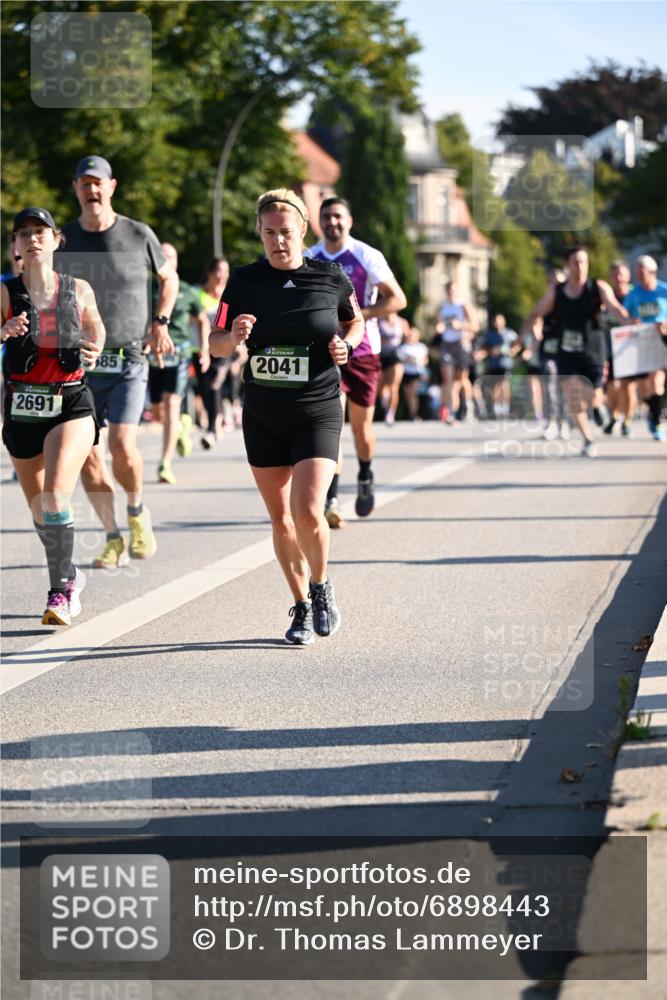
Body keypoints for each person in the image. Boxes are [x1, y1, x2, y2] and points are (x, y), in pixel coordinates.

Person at [209, 189, 364, 645]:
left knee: (308, 509)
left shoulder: (330, 276)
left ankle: (321, 586)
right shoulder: (241, 283)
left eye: (286, 232)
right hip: (264, 412)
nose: (278, 240)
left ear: (303, 231)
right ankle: (299, 605)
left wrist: (346, 345)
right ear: (260, 232)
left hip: (317, 408)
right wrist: (233, 335)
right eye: (269, 232)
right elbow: (215, 344)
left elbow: (353, 321)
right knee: (280, 520)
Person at [56, 155, 178, 567]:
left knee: (123, 446)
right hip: (81, 364)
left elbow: (170, 278)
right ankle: (112, 536)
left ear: (112, 187)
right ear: (75, 189)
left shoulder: (137, 233)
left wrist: (160, 322)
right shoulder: (64, 240)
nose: (92, 191)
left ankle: (137, 510)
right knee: (89, 454)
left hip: (128, 358)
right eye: (84, 183)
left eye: (98, 183)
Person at [1, 207, 104, 624]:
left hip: (70, 401)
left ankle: (60, 590)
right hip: (23, 405)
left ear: (56, 240)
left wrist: (95, 347)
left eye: (40, 231)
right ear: (17, 246)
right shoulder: (6, 292)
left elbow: (96, 328)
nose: (33, 238)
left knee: (55, 496)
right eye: (24, 233)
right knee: (42, 512)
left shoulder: (77, 289)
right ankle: (71, 573)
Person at [306, 198, 406, 528]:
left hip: (363, 350)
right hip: (323, 352)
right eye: (326, 217)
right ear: (319, 222)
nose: (332, 222)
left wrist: (359, 315)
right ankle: (331, 497)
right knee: (330, 425)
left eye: (338, 216)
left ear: (350, 220)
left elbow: (398, 299)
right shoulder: (310, 257)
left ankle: (364, 473)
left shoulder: (367, 256)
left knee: (361, 430)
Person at [524, 247, 627, 457]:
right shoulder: (558, 292)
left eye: (583, 262)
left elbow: (615, 308)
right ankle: (588, 439)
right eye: (575, 262)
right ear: (568, 266)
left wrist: (634, 325)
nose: (580, 266)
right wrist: (526, 331)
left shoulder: (597, 287)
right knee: (572, 395)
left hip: (594, 351)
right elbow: (538, 311)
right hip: (567, 351)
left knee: (592, 394)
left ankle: (598, 406)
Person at [148, 243, 210, 483]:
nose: (165, 259)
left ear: (176, 261)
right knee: (156, 411)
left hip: (180, 354)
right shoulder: (147, 289)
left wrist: (204, 349)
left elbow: (203, 320)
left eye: (170, 256)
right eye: (161, 255)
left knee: (172, 403)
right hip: (153, 356)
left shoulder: (186, 291)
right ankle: (182, 426)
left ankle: (165, 463)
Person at [623, 255, 667, 442]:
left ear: (652, 273)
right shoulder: (633, 295)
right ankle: (653, 411)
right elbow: (625, 316)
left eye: (643, 274)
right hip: (640, 343)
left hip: (662, 340)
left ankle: (656, 422)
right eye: (637, 274)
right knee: (644, 387)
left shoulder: (664, 290)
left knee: (657, 380)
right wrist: (633, 322)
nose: (640, 278)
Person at [196, 258, 238, 449]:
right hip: (200, 349)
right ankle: (217, 416)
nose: (223, 276)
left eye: (226, 272)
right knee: (205, 387)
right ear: (210, 273)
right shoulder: (198, 294)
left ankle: (212, 428)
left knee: (213, 384)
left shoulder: (230, 295)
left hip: (223, 348)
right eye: (219, 271)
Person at [431, 279, 478, 424]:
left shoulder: (463, 306)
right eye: (449, 290)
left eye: (453, 289)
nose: (451, 292)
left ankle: (468, 406)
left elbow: (475, 326)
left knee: (461, 379)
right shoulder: (442, 307)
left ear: (457, 290)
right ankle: (450, 411)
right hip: (446, 344)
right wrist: (438, 328)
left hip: (461, 344)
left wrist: (461, 325)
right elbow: (438, 324)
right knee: (448, 380)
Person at [602, 261, 634, 436]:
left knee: (628, 386)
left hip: (630, 347)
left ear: (628, 275)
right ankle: (614, 416)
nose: (618, 277)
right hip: (610, 347)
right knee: (612, 385)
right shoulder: (607, 296)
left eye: (621, 274)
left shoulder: (634, 294)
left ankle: (627, 421)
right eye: (615, 274)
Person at [479, 314, 519, 418]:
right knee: (494, 387)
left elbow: (517, 344)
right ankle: (496, 408)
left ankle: (505, 408)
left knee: (504, 384)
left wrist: (512, 351)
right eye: (495, 321)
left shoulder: (509, 333)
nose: (497, 323)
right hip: (493, 364)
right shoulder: (489, 334)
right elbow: (483, 347)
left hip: (505, 364)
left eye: (499, 321)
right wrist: (491, 351)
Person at [378, 311, 409, 425]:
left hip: (396, 356)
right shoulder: (378, 320)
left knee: (394, 386)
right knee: (380, 387)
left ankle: (390, 413)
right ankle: (385, 400)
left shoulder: (401, 322)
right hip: (381, 356)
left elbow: (408, 338)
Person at [398, 326, 429, 420]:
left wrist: (417, 361)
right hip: (406, 373)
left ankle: (413, 415)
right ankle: (411, 412)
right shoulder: (403, 347)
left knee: (413, 393)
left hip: (417, 373)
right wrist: (414, 359)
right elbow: (404, 359)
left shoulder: (422, 347)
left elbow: (425, 360)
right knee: (408, 395)